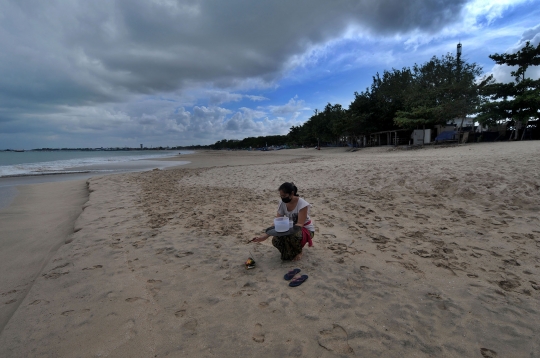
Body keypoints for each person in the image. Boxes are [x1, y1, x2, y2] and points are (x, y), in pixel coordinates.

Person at [252, 182, 315, 261]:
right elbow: (277, 221)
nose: (282, 198)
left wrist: (286, 233)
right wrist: (264, 236)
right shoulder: (282, 202)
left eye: (284, 196)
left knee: (292, 236)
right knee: (276, 240)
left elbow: (300, 224)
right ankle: (288, 252)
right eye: (281, 196)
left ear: (292, 193)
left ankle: (299, 251)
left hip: (305, 229)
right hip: (290, 227)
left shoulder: (302, 204)